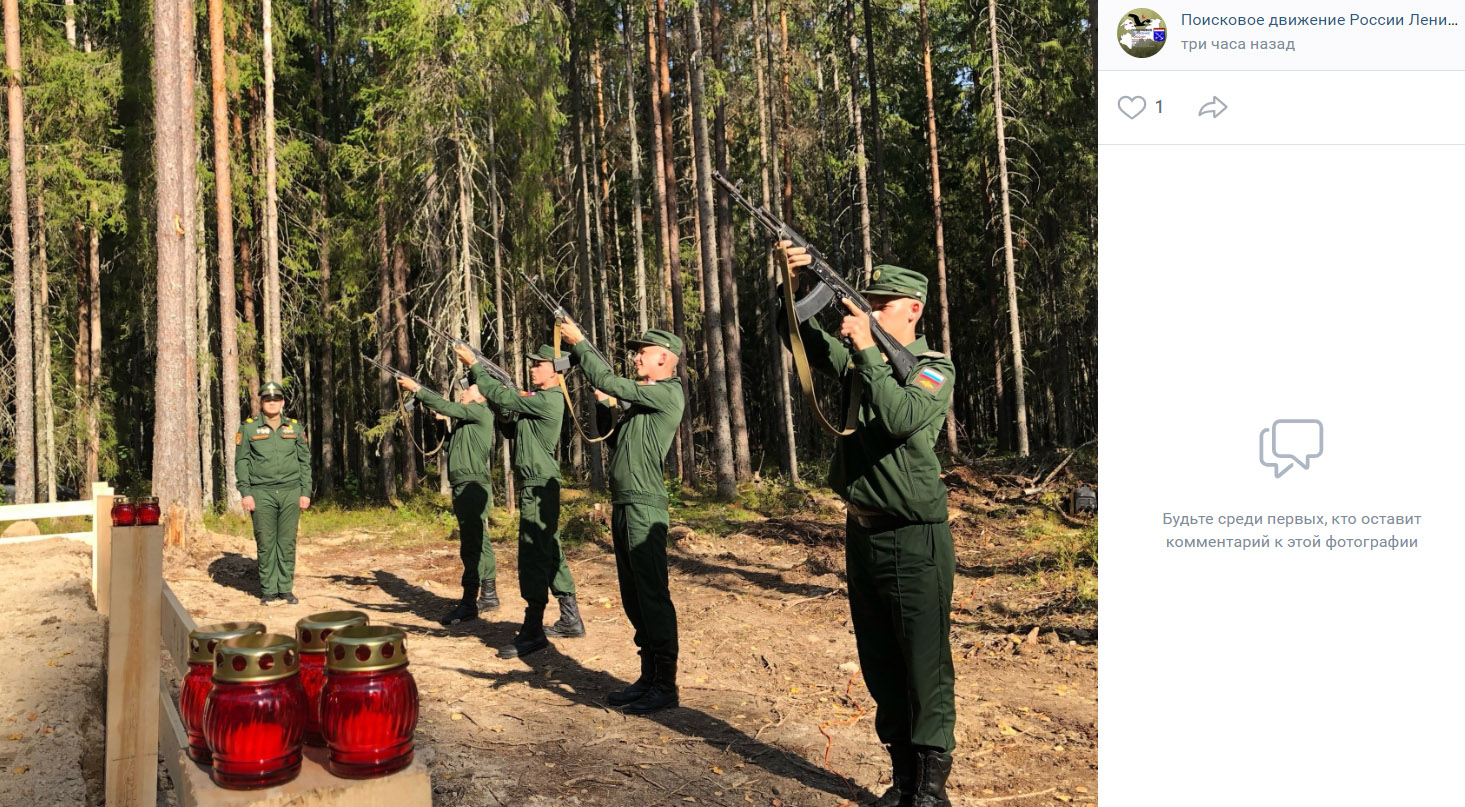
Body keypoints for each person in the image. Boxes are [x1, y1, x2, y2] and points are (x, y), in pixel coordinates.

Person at [778, 244, 959, 807]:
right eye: (868, 301)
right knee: (880, 662)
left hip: (914, 536)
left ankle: (930, 791)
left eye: (882, 304)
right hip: (863, 533)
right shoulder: (865, 358)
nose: (871, 312)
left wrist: (869, 353)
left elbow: (905, 417)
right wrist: (787, 285)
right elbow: (802, 341)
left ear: (914, 310)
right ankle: (902, 779)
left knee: (923, 666)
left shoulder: (934, 369)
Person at [558, 322, 685, 714]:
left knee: (652, 595)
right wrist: (603, 403)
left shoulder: (668, 392)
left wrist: (580, 345)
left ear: (663, 357)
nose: (635, 357)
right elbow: (612, 439)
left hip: (646, 507)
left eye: (642, 352)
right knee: (633, 597)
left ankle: (665, 684)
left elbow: (610, 379)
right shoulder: (643, 402)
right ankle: (648, 677)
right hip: (626, 504)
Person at [453, 344, 582, 659]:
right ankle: (570, 617)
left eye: (540, 365)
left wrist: (476, 367)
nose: (533, 369)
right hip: (537, 484)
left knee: (533, 557)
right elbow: (510, 425)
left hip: (538, 486)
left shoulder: (549, 399)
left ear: (556, 371)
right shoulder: (537, 400)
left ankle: (533, 629)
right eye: (533, 364)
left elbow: (506, 398)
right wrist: (500, 404)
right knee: (549, 550)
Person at [395, 375, 501, 625]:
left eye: (469, 390)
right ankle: (488, 593)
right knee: (480, 540)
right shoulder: (467, 421)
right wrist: (442, 425)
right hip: (467, 485)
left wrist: (417, 389)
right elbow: (449, 447)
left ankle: (468, 602)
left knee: (471, 545)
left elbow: (446, 406)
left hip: (472, 486)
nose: (463, 392)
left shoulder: (479, 412)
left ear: (481, 397)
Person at [234, 381, 312, 607]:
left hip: (290, 491)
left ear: (283, 402)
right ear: (261, 403)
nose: (272, 403)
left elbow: (304, 462)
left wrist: (305, 491)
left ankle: (285, 589)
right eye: (268, 400)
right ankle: (269, 589)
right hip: (261, 493)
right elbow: (242, 462)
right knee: (266, 542)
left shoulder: (295, 428)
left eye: (276, 400)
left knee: (287, 542)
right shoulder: (248, 428)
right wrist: (246, 493)